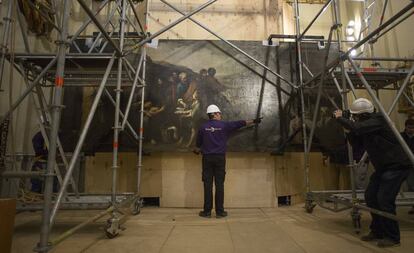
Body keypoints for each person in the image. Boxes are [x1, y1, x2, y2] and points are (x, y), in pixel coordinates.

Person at [333, 98, 412, 248]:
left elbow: (358, 128)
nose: (354, 118)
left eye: (356, 116)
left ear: (363, 115)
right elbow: (357, 143)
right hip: (383, 167)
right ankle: (378, 231)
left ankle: (392, 237)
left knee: (384, 199)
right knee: (371, 197)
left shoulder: (379, 120)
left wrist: (341, 118)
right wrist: (348, 129)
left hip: (397, 166)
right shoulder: (366, 126)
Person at [195, 104, 262, 218]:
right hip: (220, 158)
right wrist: (254, 121)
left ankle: (207, 212)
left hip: (207, 159)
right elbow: (240, 123)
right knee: (219, 185)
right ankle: (220, 212)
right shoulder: (224, 125)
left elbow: (198, 144)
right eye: (219, 113)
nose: (220, 115)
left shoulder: (203, 127)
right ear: (215, 114)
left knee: (207, 185)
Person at [401, 118, 414, 214]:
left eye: (413, 128)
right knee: (410, 186)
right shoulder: (400, 136)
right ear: (405, 127)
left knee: (412, 185)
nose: (411, 130)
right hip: (403, 163)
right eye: (409, 128)